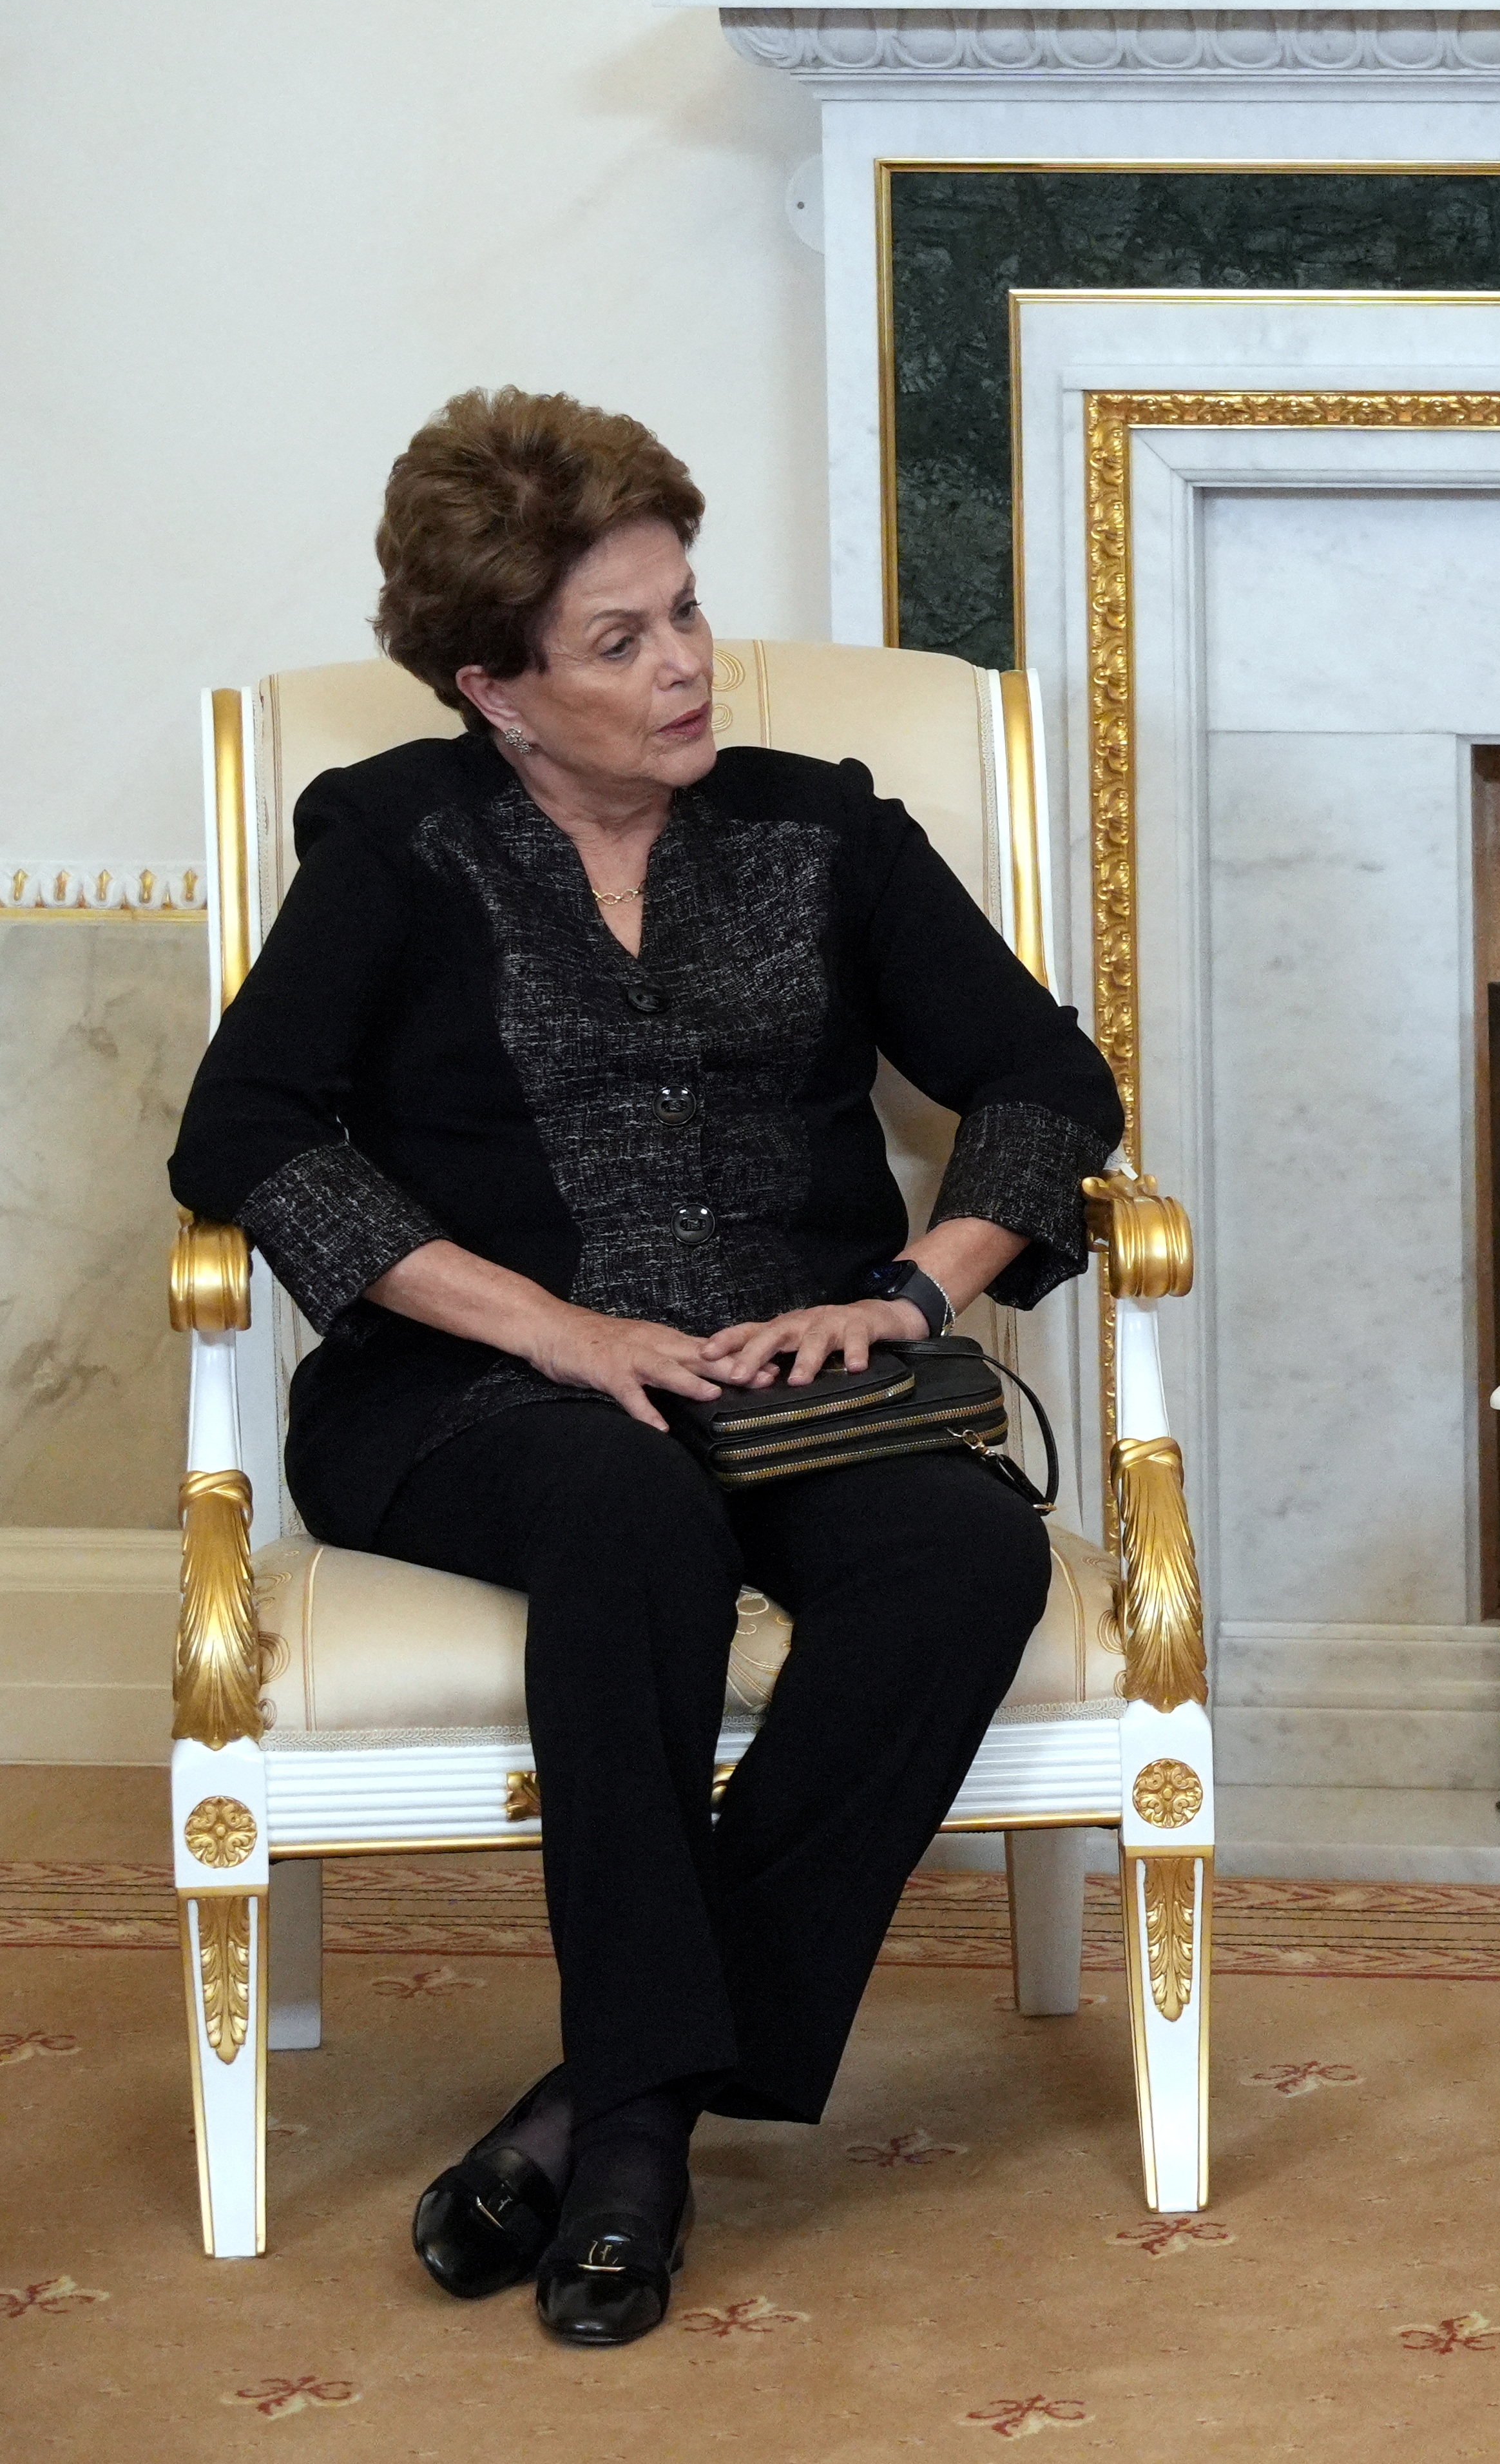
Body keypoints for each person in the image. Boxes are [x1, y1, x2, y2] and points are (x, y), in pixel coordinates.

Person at [169, 389, 1122, 2347]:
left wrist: (919, 1288)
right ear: (495, 689)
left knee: (966, 1561)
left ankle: (615, 2098)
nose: (686, 664)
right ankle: (630, 2161)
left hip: (787, 1371)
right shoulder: (394, 849)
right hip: (475, 1398)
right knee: (625, 1519)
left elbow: (1047, 1083)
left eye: (683, 611)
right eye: (621, 641)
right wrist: (557, 1329)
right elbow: (247, 1135)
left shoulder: (822, 828)